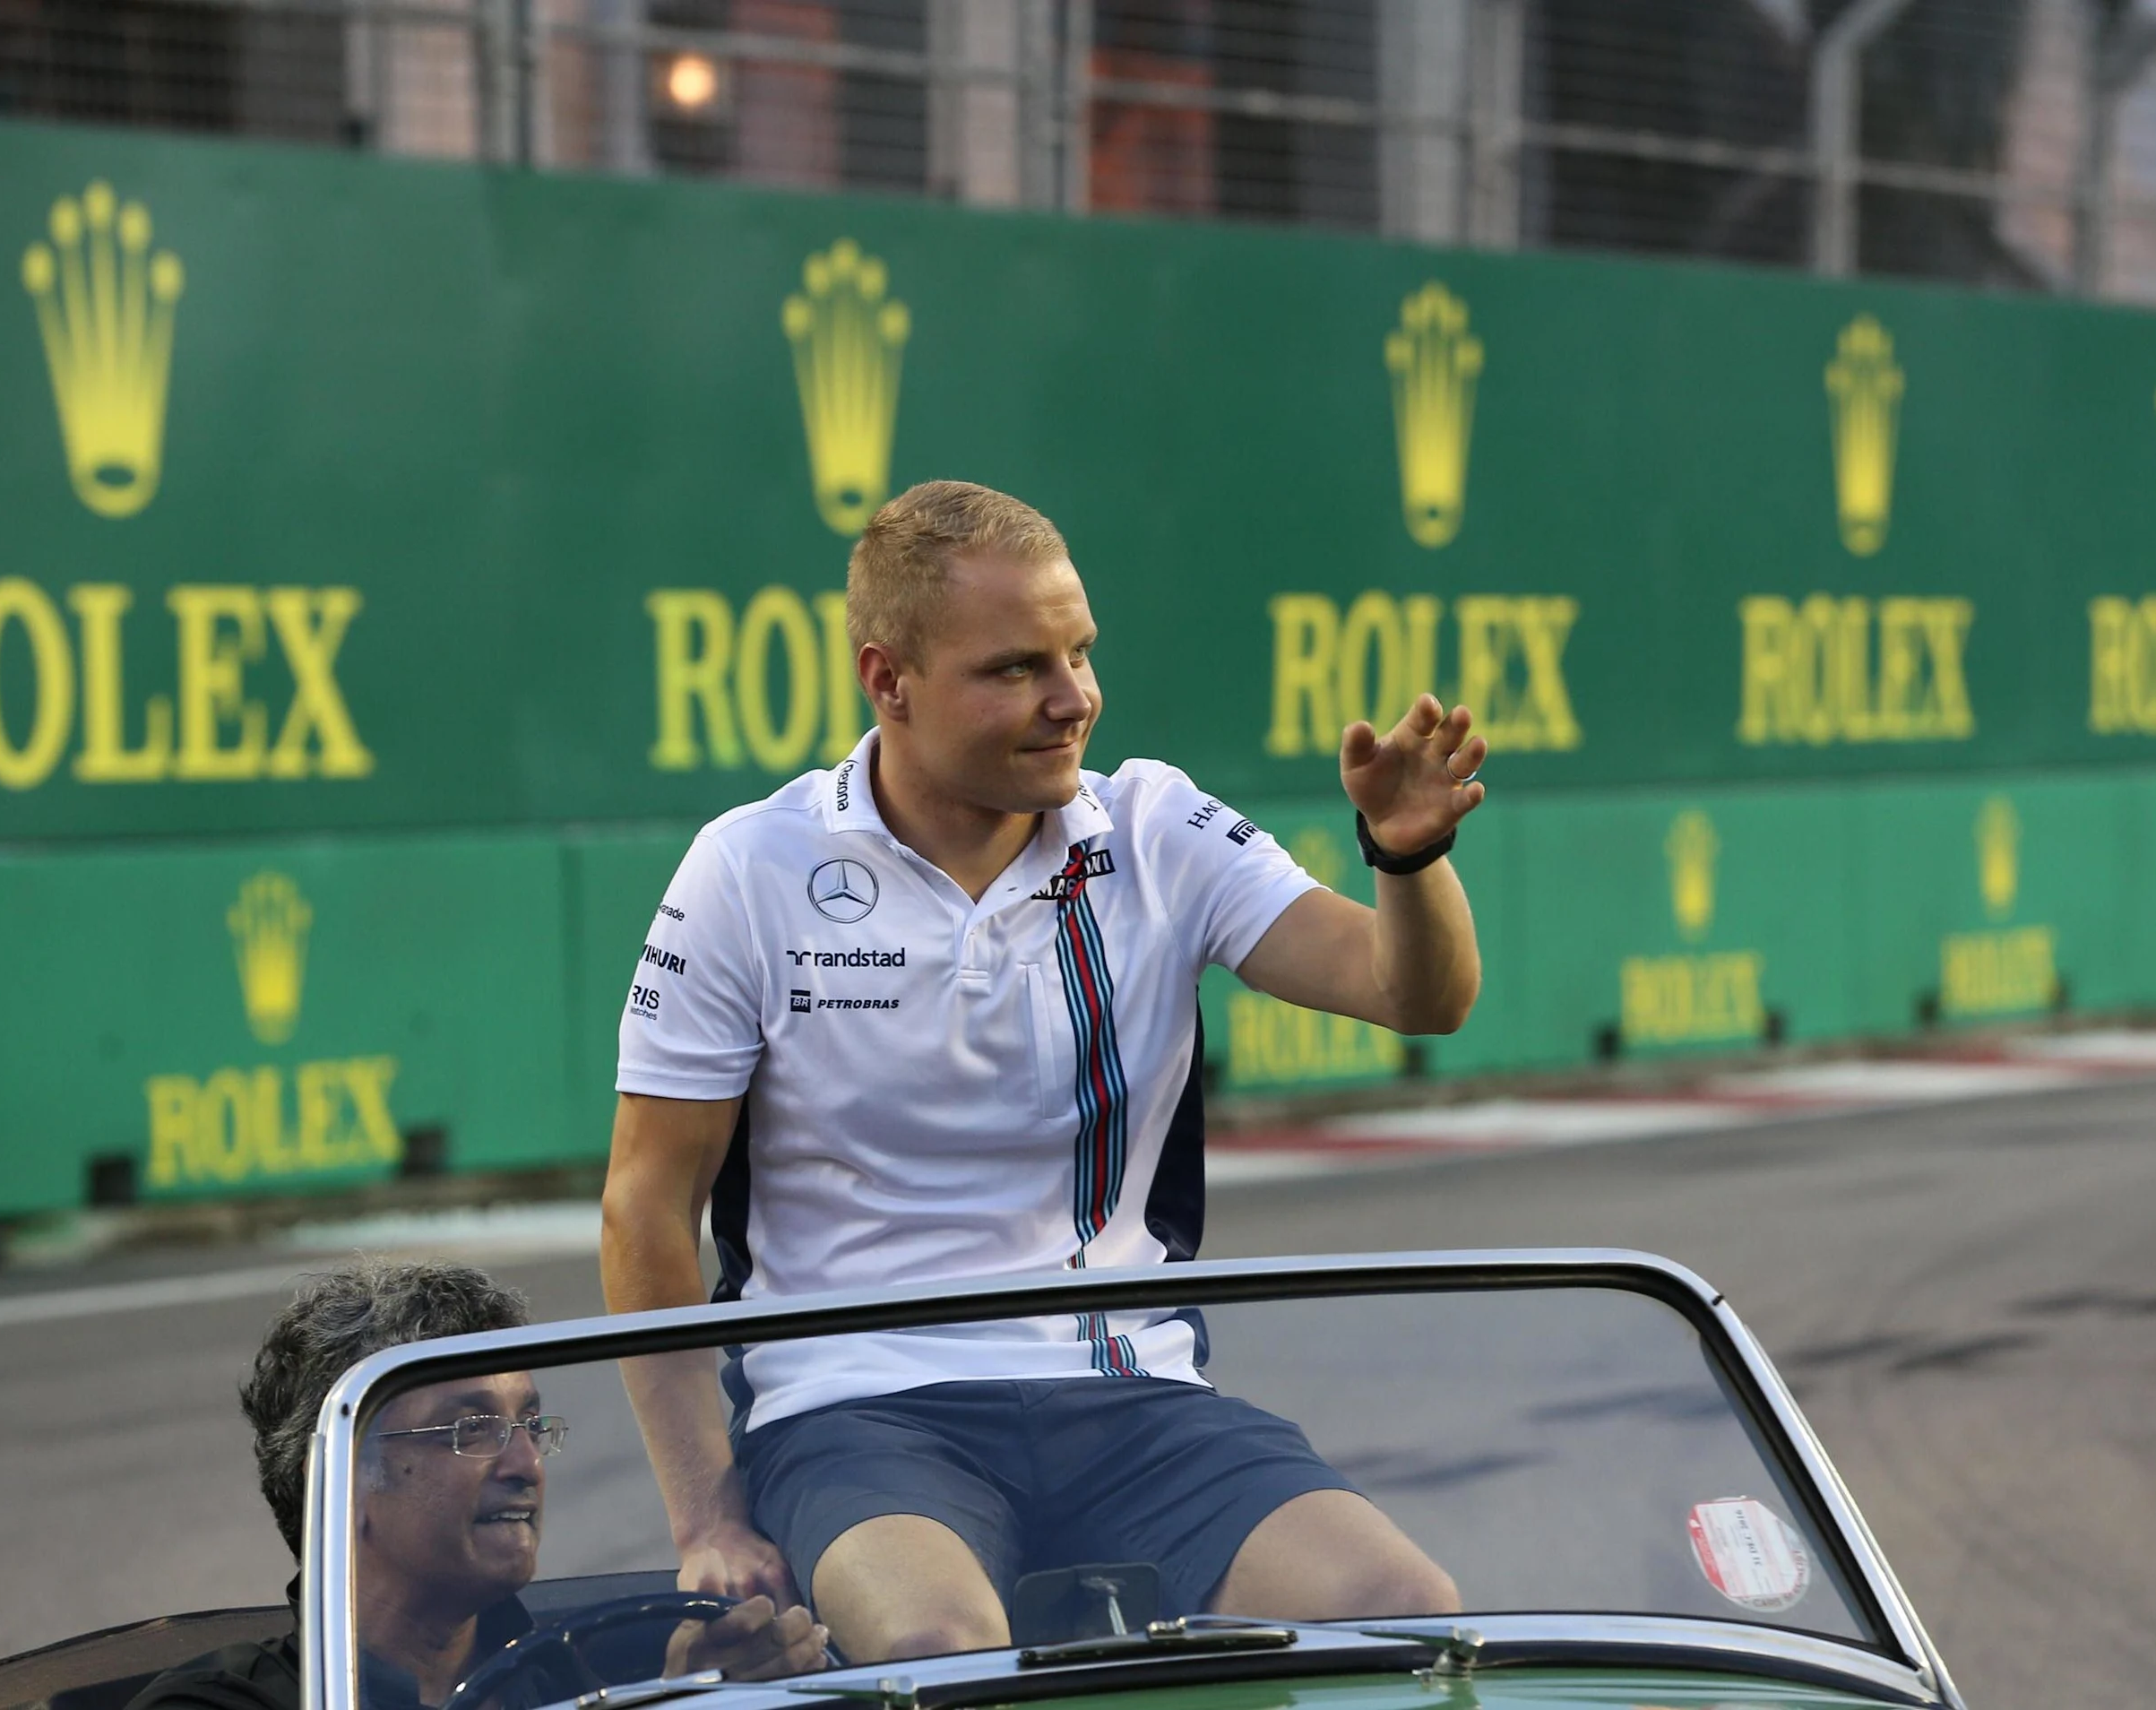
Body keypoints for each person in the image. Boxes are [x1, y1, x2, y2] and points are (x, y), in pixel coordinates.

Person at [603, 480, 1483, 1662]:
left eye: (1080, 653)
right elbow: (645, 1205)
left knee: (1411, 1620)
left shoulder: (1159, 831)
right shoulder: (750, 869)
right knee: (938, 1645)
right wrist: (707, 1512)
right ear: (888, 680)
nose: (1073, 700)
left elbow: (1414, 994)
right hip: (856, 1414)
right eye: (1016, 668)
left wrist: (1407, 857)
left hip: (1131, 1400)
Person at [130, 1259, 827, 1710]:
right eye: (471, 1430)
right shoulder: (213, 1706)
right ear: (343, 1482)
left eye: (530, 1423)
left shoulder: (588, 1674)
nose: (527, 1464)